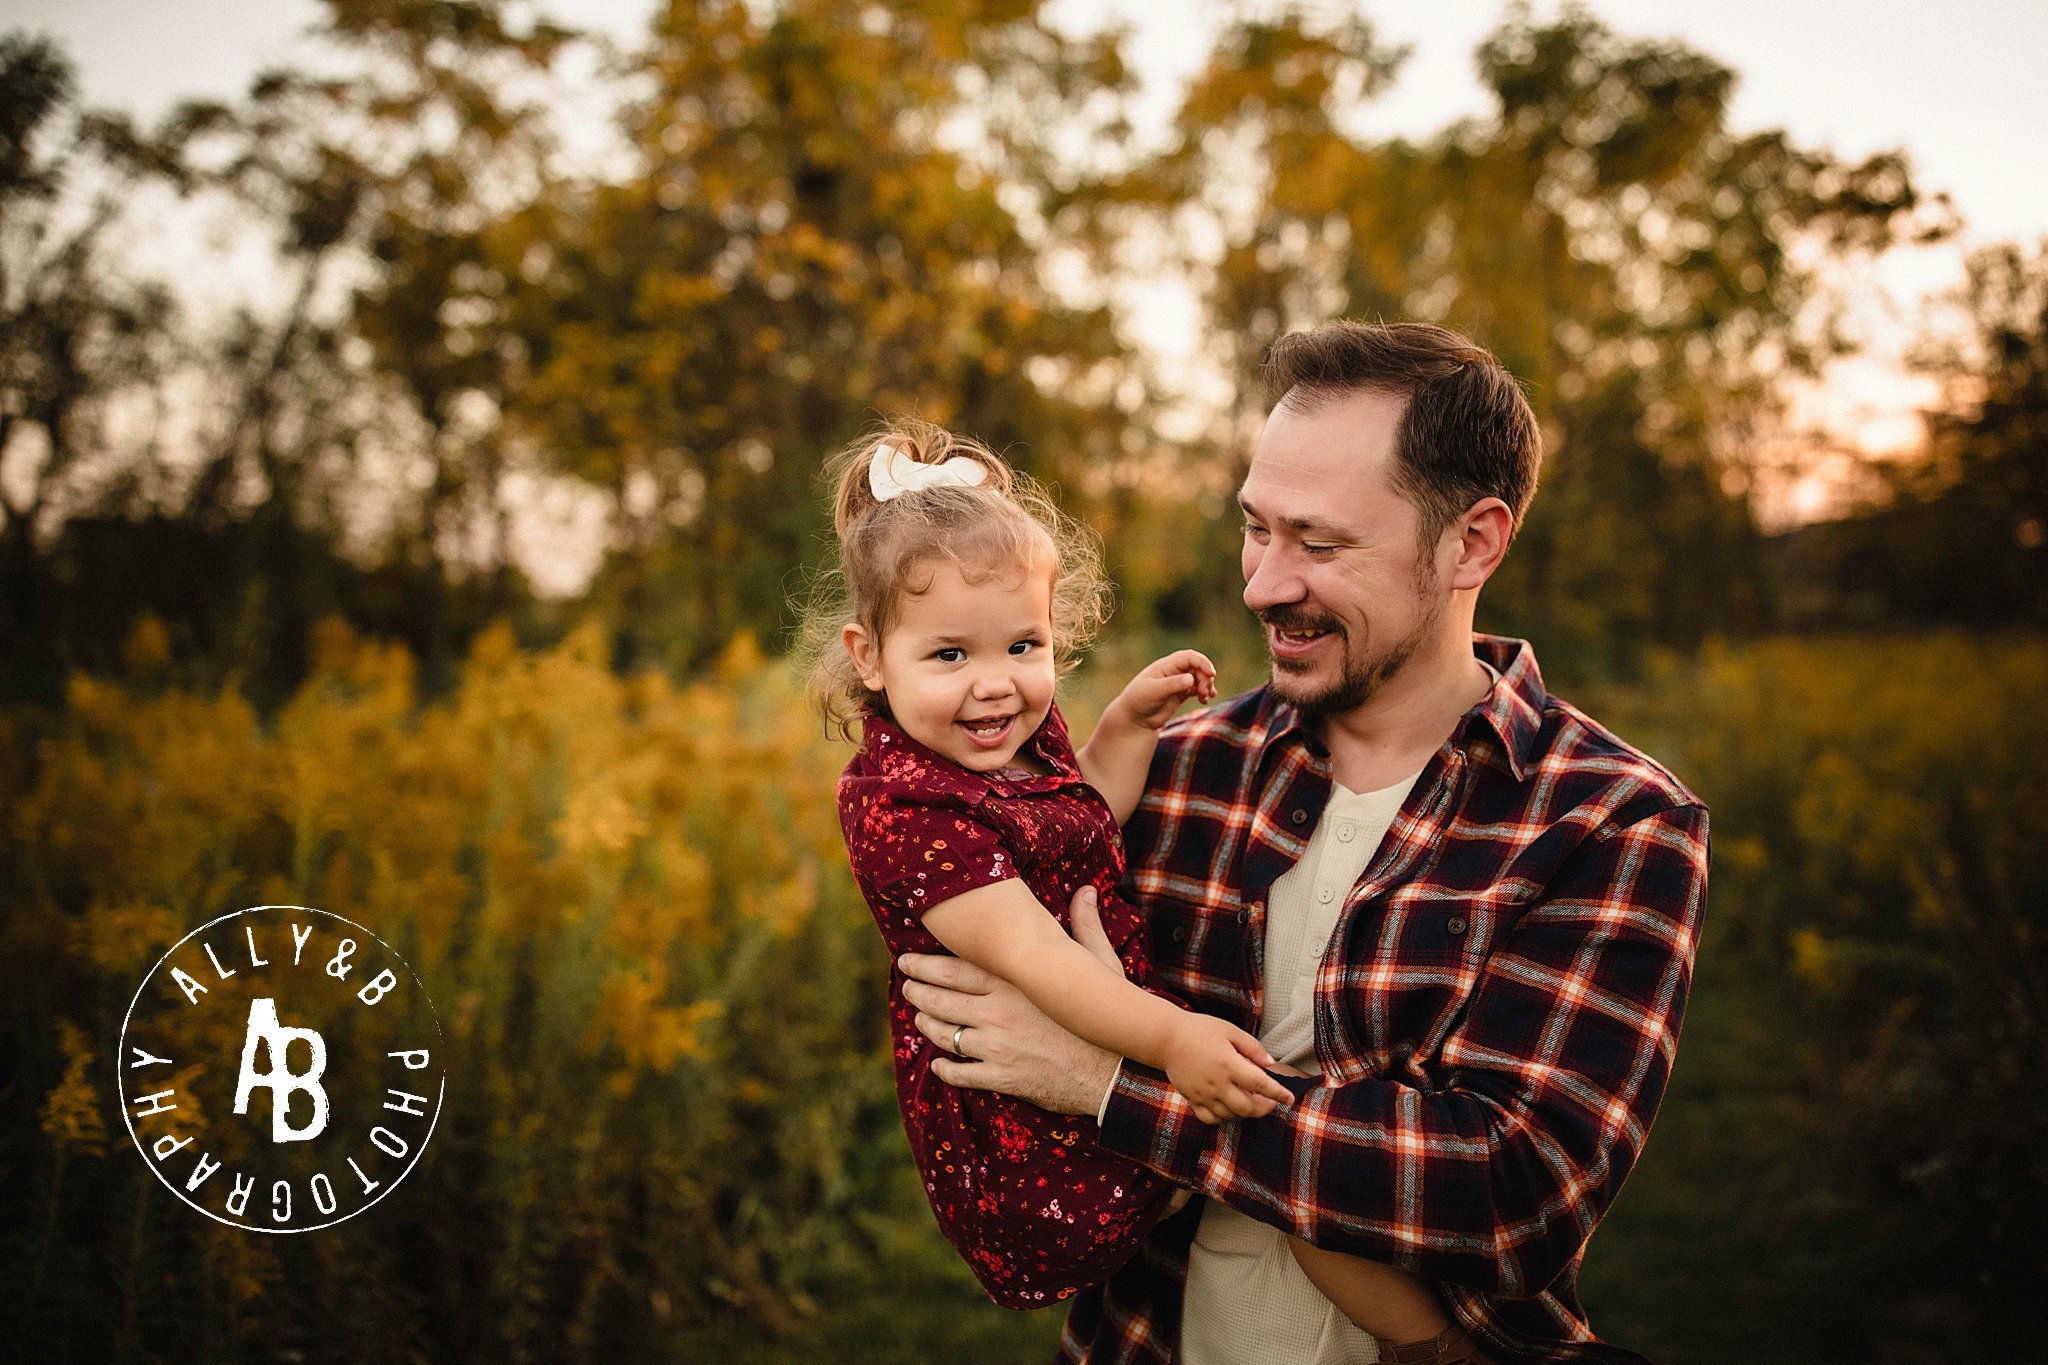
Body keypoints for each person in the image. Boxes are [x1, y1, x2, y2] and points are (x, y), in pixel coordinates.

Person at [895, 322, 1711, 1364]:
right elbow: (994, 1023)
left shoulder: (1606, 819)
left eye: (1319, 545)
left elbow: (1511, 1192)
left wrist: (1115, 1082)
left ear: (1472, 543)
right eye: (1255, 528)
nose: (1262, 585)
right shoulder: (1179, 767)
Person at [810, 420, 1474, 1341]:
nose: (996, 685)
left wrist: (1126, 725)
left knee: (1306, 1194)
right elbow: (1039, 958)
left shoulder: (1003, 747)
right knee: (1283, 1181)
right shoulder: (906, 809)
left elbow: (1078, 824)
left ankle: (1429, 1346)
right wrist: (1173, 1040)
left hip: (1110, 1048)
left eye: (1023, 646)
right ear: (869, 656)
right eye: (949, 654)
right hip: (1028, 1121)